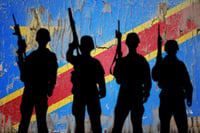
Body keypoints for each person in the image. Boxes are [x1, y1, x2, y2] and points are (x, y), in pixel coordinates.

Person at [17, 28, 58, 133]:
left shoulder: (33, 56)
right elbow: (53, 76)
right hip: (39, 91)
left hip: (32, 91)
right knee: (40, 123)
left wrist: (21, 53)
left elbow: (23, 75)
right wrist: (50, 88)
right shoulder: (50, 56)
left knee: (26, 122)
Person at [112, 32, 152, 133]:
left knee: (118, 126)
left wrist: (119, 61)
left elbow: (117, 78)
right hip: (137, 94)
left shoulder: (124, 61)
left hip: (125, 94)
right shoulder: (141, 61)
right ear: (137, 43)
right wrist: (146, 93)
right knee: (137, 126)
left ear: (127, 44)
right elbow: (147, 80)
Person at [66, 35, 106, 133]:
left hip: (81, 93)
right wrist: (102, 91)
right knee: (95, 123)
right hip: (91, 93)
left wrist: (72, 47)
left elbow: (69, 57)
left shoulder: (78, 61)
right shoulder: (95, 62)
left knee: (80, 123)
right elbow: (101, 80)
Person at [152, 40, 193, 133]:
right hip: (178, 97)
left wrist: (158, 61)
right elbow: (187, 83)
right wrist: (189, 96)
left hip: (166, 97)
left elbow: (154, 77)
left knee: (165, 126)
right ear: (176, 50)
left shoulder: (162, 64)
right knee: (182, 127)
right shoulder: (179, 65)